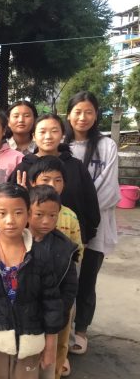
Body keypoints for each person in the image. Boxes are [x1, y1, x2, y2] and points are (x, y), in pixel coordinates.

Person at [0, 183, 63, 379]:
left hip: (29, 338)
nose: (10, 220)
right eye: (2, 213)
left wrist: (50, 346)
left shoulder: (39, 254)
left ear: (28, 214)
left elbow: (52, 302)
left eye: (18, 213)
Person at [64, 91, 121, 356]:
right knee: (60, 280)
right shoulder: (61, 145)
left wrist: (82, 219)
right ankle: (60, 331)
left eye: (88, 112)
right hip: (61, 225)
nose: (82, 117)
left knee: (86, 280)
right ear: (68, 114)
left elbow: (108, 190)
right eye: (77, 111)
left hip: (94, 228)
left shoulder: (106, 146)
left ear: (96, 115)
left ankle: (82, 330)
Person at [9, 113, 100, 247]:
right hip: (28, 243)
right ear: (34, 136)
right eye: (42, 131)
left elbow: (90, 202)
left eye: (54, 131)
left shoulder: (76, 166)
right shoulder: (23, 168)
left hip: (70, 240)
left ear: (63, 135)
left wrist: (87, 234)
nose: (48, 136)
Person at [28, 185, 79, 379]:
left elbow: (70, 287)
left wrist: (57, 313)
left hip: (51, 318)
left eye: (53, 215)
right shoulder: (17, 241)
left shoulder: (65, 247)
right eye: (39, 214)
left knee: (46, 365)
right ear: (27, 212)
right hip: (23, 319)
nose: (46, 221)